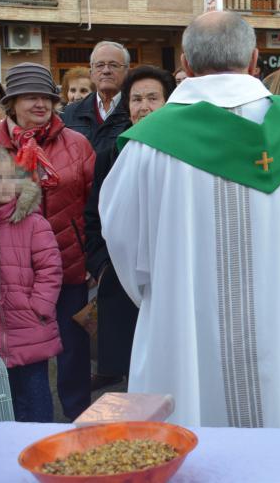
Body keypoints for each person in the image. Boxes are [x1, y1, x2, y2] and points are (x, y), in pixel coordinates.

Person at [99, 11, 280, 428]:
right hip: (275, 314)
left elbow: (122, 237)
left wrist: (165, 296)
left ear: (186, 65)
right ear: (256, 60)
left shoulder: (148, 146)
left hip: (183, 319)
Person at [0, 62, 95, 421]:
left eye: (46, 97)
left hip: (68, 264)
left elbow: (95, 204)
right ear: (12, 102)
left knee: (73, 354)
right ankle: (24, 431)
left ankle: (78, 425)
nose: (40, 104)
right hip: (8, 275)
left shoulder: (76, 143)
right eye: (30, 97)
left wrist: (92, 256)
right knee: (21, 364)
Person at [85, 66, 176, 386]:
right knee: (132, 379)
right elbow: (94, 216)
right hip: (122, 280)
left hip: (171, 279)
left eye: (153, 97)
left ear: (169, 102)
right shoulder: (112, 154)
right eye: (136, 99)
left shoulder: (183, 153)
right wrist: (103, 267)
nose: (144, 106)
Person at [0, 147, 63, 422]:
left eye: (10, 177)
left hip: (29, 329)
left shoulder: (32, 223)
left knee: (36, 401)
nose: (6, 185)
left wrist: (38, 308)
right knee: (0, 407)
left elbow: (50, 269)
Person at [62, 41, 132, 154]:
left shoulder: (135, 112)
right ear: (91, 73)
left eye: (114, 65)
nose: (106, 71)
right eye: (99, 65)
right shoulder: (69, 113)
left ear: (127, 72)